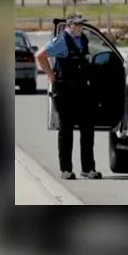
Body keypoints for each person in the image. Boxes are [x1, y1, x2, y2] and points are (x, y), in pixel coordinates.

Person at [35, 13, 102, 180]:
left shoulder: (83, 39)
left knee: (87, 129)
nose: (80, 27)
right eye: (77, 24)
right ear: (69, 25)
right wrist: (51, 75)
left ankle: (88, 168)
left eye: (81, 24)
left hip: (82, 89)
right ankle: (66, 169)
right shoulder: (61, 41)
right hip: (65, 90)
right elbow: (40, 56)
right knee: (66, 130)